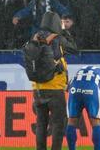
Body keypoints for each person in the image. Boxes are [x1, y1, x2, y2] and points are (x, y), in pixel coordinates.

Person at [32, 11, 79, 150]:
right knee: (59, 123)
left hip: (38, 88)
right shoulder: (57, 38)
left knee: (41, 123)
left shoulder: (34, 37)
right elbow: (74, 49)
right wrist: (64, 32)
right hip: (55, 87)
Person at [65, 65, 100, 150]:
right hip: (91, 89)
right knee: (96, 122)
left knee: (71, 121)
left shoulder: (82, 69)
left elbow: (67, 87)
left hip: (74, 88)